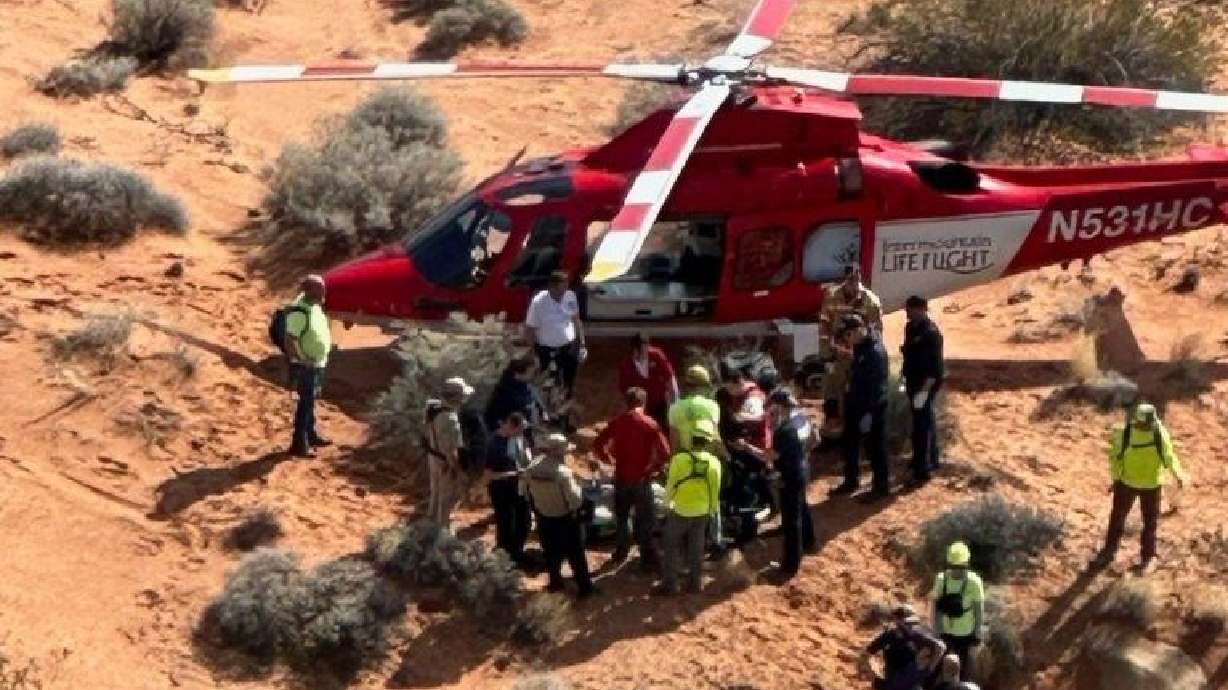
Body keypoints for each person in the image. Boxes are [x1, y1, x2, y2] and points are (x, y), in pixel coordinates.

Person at [1092, 403, 1188, 572]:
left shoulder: (1159, 434)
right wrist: (1116, 478)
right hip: (1127, 483)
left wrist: (1178, 475)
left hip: (1151, 485)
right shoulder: (1125, 434)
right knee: (1117, 519)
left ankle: (1148, 557)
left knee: (1150, 523)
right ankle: (1108, 552)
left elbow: (1169, 457)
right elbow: (1115, 458)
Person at [735, 388, 816, 578]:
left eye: (771, 408)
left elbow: (767, 456)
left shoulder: (784, 431)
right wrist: (800, 455)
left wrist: (746, 447)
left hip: (790, 476)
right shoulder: (801, 419)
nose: (769, 412)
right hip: (803, 469)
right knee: (801, 508)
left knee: (791, 521)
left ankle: (790, 566)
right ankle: (809, 541)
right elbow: (815, 439)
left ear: (779, 407)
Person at [592, 387, 671, 569]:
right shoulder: (650, 424)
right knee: (646, 520)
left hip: (620, 477)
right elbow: (665, 452)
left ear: (626, 402)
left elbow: (598, 444)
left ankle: (621, 551)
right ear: (644, 402)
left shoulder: (618, 422)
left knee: (622, 517)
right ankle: (647, 559)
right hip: (642, 479)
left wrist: (609, 460)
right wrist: (654, 468)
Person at [524, 433, 596, 598]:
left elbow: (525, 492)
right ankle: (585, 589)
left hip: (544, 517)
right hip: (565, 519)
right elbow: (575, 501)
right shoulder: (562, 473)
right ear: (559, 452)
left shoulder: (532, 467)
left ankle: (555, 583)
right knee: (576, 555)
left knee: (551, 553)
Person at [818, 265, 883, 438]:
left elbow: (875, 333)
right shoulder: (832, 296)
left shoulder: (870, 302)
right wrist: (826, 356)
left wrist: (866, 358)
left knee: (854, 394)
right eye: (850, 280)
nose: (854, 284)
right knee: (831, 392)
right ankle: (832, 431)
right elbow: (824, 324)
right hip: (836, 354)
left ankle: (854, 432)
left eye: (856, 280)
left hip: (858, 357)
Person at [659, 419, 722, 595]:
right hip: (702, 512)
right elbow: (715, 490)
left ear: (691, 439)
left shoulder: (679, 460)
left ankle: (670, 585)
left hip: (680, 510)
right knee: (696, 548)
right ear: (708, 441)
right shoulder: (714, 463)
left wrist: (666, 505)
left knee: (671, 545)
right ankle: (695, 584)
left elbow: (671, 485)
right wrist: (711, 511)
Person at [832, 314, 890, 500]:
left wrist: (869, 413)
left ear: (858, 330)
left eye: (848, 335)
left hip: (871, 407)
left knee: (875, 448)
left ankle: (881, 488)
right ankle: (851, 480)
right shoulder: (861, 346)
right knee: (850, 444)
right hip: (855, 404)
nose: (847, 340)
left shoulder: (874, 352)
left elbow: (877, 385)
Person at [525, 271, 586, 429]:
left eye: (564, 290)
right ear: (551, 287)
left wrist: (582, 344)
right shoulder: (539, 302)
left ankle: (564, 420)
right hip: (547, 350)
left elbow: (576, 320)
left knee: (567, 385)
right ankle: (549, 420)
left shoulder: (570, 296)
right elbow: (530, 329)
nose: (561, 295)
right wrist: (533, 354)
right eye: (558, 291)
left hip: (568, 347)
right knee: (549, 385)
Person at [283, 274, 332, 457]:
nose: (323, 291)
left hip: (316, 363)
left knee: (310, 402)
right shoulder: (299, 312)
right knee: (304, 404)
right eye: (319, 288)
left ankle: (311, 435)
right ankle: (299, 444)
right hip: (306, 366)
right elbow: (290, 340)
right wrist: (301, 360)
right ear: (308, 290)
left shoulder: (314, 306)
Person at [901, 295, 945, 485]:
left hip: (926, 384)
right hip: (913, 380)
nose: (907, 313)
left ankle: (922, 470)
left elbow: (935, 369)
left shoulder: (931, 333)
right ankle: (930, 459)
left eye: (910, 309)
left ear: (922, 309)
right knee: (925, 420)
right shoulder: (911, 328)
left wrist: (924, 391)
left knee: (921, 427)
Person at [929, 541, 986, 682]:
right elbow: (935, 605)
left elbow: (978, 609)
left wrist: (978, 632)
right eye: (954, 567)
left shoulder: (974, 582)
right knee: (939, 667)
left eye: (961, 567)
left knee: (964, 669)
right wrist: (935, 629)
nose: (957, 571)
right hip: (945, 631)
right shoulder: (941, 579)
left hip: (965, 633)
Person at [424, 377, 473, 529]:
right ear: (457, 397)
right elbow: (451, 452)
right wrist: (459, 473)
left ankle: (429, 531)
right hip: (446, 464)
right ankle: (441, 538)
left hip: (433, 458)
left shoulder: (432, 409)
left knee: (436, 496)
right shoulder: (450, 419)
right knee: (446, 503)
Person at [863, 604, 947, 690]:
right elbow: (866, 654)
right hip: (901, 682)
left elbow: (940, 647)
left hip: (903, 682)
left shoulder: (918, 634)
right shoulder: (891, 634)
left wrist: (874, 676)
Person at [486, 412, 532, 564]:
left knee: (524, 522)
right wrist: (513, 473)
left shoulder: (517, 439)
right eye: (520, 429)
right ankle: (504, 558)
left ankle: (517, 554)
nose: (522, 433)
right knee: (506, 525)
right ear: (511, 426)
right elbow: (489, 475)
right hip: (501, 489)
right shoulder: (494, 444)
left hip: (519, 487)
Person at [617, 333, 678, 428]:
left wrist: (675, 402)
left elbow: (669, 377)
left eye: (647, 348)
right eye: (642, 350)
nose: (646, 353)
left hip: (659, 402)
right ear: (634, 349)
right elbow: (624, 389)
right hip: (640, 406)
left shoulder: (656, 355)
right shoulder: (627, 365)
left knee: (662, 428)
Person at [485, 355, 546, 433]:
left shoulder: (522, 383)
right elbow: (519, 417)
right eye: (533, 372)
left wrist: (542, 411)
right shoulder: (509, 393)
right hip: (506, 429)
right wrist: (536, 427)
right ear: (518, 373)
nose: (535, 375)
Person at [667, 365, 721, 451]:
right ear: (704, 386)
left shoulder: (675, 408)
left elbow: (674, 442)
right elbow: (716, 438)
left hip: (684, 460)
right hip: (707, 460)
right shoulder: (713, 406)